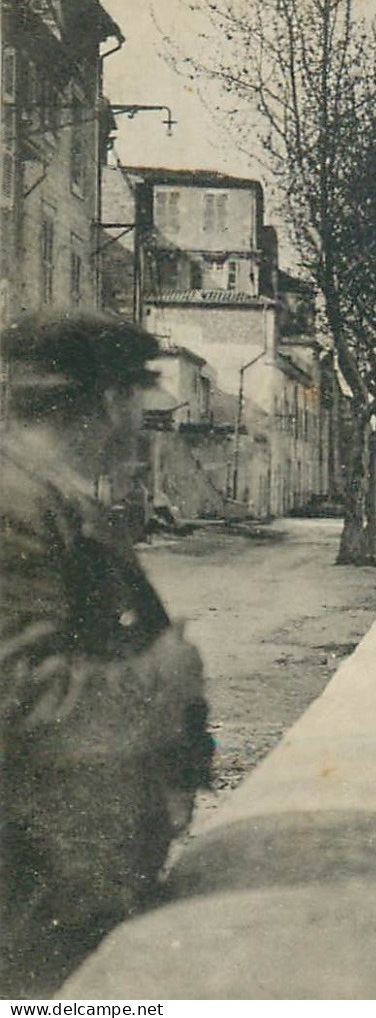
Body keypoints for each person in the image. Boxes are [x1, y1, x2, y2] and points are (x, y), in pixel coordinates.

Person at [0, 315, 213, 996]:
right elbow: (19, 695)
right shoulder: (17, 509)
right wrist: (166, 679)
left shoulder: (49, 497)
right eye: (138, 409)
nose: (140, 432)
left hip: (62, 878)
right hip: (28, 891)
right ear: (108, 402)